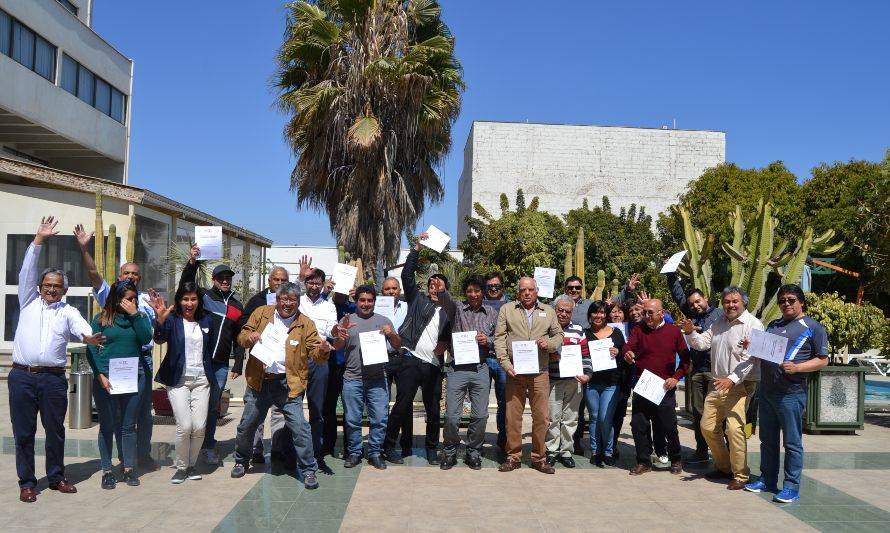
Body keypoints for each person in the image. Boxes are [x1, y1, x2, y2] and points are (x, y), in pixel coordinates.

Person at [10, 217, 104, 502]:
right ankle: (27, 482)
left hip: (52, 379)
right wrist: (38, 240)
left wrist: (89, 336)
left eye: (57, 286)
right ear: (39, 287)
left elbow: (81, 326)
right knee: (24, 433)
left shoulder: (67, 310)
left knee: (55, 431)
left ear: (64, 290)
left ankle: (56, 477)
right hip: (22, 377)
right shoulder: (27, 300)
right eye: (47, 285)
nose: (51, 289)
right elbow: (27, 270)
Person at [231, 282, 333, 489]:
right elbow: (242, 336)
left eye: (292, 300)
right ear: (277, 300)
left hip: (288, 384)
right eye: (283, 299)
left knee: (300, 427)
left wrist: (323, 349)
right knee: (247, 425)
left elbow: (316, 354)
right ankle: (241, 460)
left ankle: (308, 470)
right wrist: (249, 337)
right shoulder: (261, 313)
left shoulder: (305, 323)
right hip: (259, 382)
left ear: (297, 301)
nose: (287, 303)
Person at [74, 224, 158, 471]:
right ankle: (119, 461)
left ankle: (140, 457)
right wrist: (84, 248)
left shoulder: (145, 301)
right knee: (117, 418)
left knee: (142, 415)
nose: (131, 277)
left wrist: (157, 315)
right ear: (120, 277)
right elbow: (92, 273)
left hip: (142, 361)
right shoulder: (109, 297)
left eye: (135, 274)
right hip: (114, 363)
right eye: (127, 273)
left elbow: (152, 333)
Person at [745, 285, 829, 503]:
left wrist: (799, 368)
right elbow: (767, 353)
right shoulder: (774, 324)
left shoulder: (813, 327)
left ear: (801, 302)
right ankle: (767, 479)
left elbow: (823, 359)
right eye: (782, 300)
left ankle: (791, 487)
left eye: (791, 300)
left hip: (791, 394)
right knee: (767, 440)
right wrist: (752, 345)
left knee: (792, 443)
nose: (786, 304)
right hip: (768, 392)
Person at [384, 233, 455, 465]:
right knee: (402, 406)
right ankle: (389, 446)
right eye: (432, 285)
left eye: (439, 286)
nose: (435, 288)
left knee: (433, 410)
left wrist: (448, 346)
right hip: (410, 360)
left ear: (446, 289)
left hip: (434, 366)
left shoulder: (450, 311)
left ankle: (432, 449)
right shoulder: (417, 300)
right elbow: (406, 274)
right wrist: (416, 248)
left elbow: (457, 335)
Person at [682, 286, 762, 489]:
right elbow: (701, 344)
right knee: (707, 427)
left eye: (735, 301)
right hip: (718, 383)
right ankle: (725, 467)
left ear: (744, 302)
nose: (730, 305)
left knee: (734, 429)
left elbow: (752, 359)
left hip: (741, 385)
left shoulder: (754, 325)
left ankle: (741, 475)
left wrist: (732, 379)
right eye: (727, 301)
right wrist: (691, 332)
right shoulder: (718, 323)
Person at [181, 243, 246, 466]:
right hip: (198, 361)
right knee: (191, 405)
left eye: (228, 278)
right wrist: (193, 262)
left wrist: (238, 364)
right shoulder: (203, 297)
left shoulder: (238, 306)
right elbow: (185, 284)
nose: (225, 281)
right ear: (214, 280)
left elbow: (240, 337)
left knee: (211, 406)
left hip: (220, 365)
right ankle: (189, 442)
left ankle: (207, 445)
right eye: (221, 278)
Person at [87, 280, 154, 489]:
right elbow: (91, 349)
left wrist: (135, 314)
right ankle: (107, 470)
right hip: (107, 379)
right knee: (107, 425)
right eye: (128, 298)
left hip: (133, 377)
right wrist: (100, 375)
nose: (132, 302)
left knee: (128, 425)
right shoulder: (101, 320)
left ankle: (129, 468)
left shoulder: (139, 318)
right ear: (116, 298)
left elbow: (146, 338)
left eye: (134, 298)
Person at [495, 277, 564, 474]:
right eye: (523, 289)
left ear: (537, 291)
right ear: (518, 292)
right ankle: (513, 456)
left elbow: (559, 335)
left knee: (541, 417)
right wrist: (505, 364)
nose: (527, 293)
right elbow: (499, 338)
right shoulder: (507, 310)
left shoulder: (548, 311)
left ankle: (539, 458)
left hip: (540, 372)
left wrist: (549, 344)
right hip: (514, 371)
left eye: (531, 289)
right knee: (512, 416)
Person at [151, 283, 215, 484]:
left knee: (199, 427)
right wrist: (160, 322)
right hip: (178, 380)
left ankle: (192, 464)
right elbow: (159, 339)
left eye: (193, 299)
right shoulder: (172, 319)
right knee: (185, 425)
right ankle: (181, 467)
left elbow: (210, 348)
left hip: (202, 380)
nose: (189, 303)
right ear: (179, 301)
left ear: (199, 301)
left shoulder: (206, 320)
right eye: (185, 299)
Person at [623, 299, 690, 476]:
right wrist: (627, 353)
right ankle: (643, 461)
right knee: (639, 425)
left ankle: (675, 459)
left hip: (664, 387)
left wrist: (676, 378)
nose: (646, 316)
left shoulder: (674, 331)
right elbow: (628, 346)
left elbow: (685, 361)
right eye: (644, 312)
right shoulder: (638, 329)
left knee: (669, 426)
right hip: (643, 386)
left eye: (650, 313)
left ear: (662, 313)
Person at [337, 285, 402, 469]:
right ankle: (355, 452)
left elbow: (397, 345)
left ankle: (375, 452)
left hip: (377, 379)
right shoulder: (347, 320)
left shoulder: (384, 320)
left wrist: (391, 334)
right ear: (356, 301)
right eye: (362, 300)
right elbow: (338, 346)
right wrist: (341, 334)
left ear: (374, 301)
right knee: (352, 419)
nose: (366, 304)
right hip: (353, 378)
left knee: (380, 418)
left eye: (370, 300)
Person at [665, 270, 723, 463]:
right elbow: (678, 295)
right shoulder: (691, 315)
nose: (695, 306)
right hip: (697, 370)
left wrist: (700, 331)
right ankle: (701, 450)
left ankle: (720, 451)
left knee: (717, 413)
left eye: (698, 301)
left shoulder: (720, 315)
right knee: (698, 413)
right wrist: (671, 274)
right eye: (692, 304)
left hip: (717, 371)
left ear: (705, 298)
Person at [441, 275, 497, 470]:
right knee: (451, 416)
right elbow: (445, 299)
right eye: (469, 291)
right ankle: (450, 451)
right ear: (465, 292)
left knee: (481, 415)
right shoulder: (456, 308)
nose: (473, 294)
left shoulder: (491, 312)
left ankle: (473, 451)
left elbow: (497, 339)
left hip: (480, 368)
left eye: (477, 290)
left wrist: (487, 341)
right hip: (457, 368)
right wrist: (441, 289)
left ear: (483, 292)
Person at [242, 266, 290, 465]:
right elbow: (244, 330)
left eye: (283, 280)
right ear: (269, 281)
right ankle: (255, 450)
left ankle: (278, 449)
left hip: (281, 369)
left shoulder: (293, 303)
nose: (279, 283)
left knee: (280, 412)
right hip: (259, 368)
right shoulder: (256, 302)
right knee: (255, 413)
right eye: (275, 279)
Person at [545, 296, 591, 468]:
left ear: (572, 312)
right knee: (552, 418)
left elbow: (585, 355)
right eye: (560, 310)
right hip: (552, 380)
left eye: (567, 311)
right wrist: (550, 355)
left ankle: (566, 451)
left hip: (574, 380)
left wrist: (587, 374)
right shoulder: (547, 329)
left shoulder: (578, 330)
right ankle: (551, 450)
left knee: (571, 418)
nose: (563, 314)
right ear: (554, 310)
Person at [585, 300, 627, 467]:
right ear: (590, 315)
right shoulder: (585, 334)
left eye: (602, 312)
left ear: (606, 315)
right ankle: (596, 451)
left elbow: (625, 357)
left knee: (605, 418)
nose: (598, 315)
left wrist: (618, 352)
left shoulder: (616, 333)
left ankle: (608, 451)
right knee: (594, 418)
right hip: (591, 382)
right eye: (595, 312)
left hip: (612, 382)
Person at [482, 271, 509, 454]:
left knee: (504, 402)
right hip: (482, 359)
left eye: (496, 286)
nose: (493, 289)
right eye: (490, 286)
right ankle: (477, 438)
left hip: (502, 360)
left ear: (502, 287)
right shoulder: (477, 304)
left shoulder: (511, 306)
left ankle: (503, 437)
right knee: (480, 402)